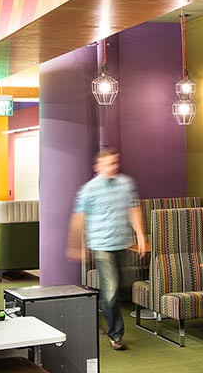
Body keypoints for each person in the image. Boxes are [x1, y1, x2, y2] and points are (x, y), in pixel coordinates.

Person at [67, 147, 147, 351]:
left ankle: (97, 312)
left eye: (115, 163)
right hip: (101, 245)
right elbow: (78, 219)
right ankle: (116, 335)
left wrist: (140, 235)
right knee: (111, 290)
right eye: (108, 164)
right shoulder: (89, 189)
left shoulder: (126, 184)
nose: (113, 167)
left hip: (122, 244)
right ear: (98, 167)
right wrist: (75, 245)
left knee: (118, 289)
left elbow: (134, 209)